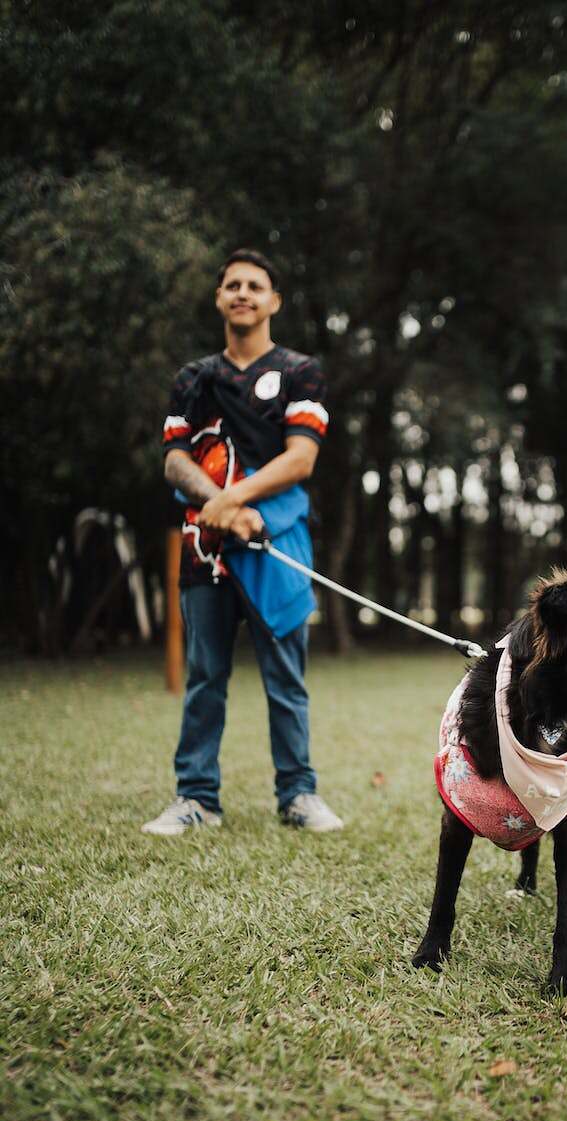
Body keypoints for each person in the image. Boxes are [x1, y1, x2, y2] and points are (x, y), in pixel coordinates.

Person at [142, 248, 343, 835]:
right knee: (205, 675)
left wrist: (234, 501)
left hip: (276, 546)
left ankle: (298, 795)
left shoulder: (301, 372)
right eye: (232, 285)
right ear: (219, 298)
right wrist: (217, 505)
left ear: (273, 301)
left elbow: (301, 458)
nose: (243, 293)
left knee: (286, 676)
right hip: (202, 550)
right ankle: (196, 797)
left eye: (255, 286)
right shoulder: (192, 378)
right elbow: (173, 460)